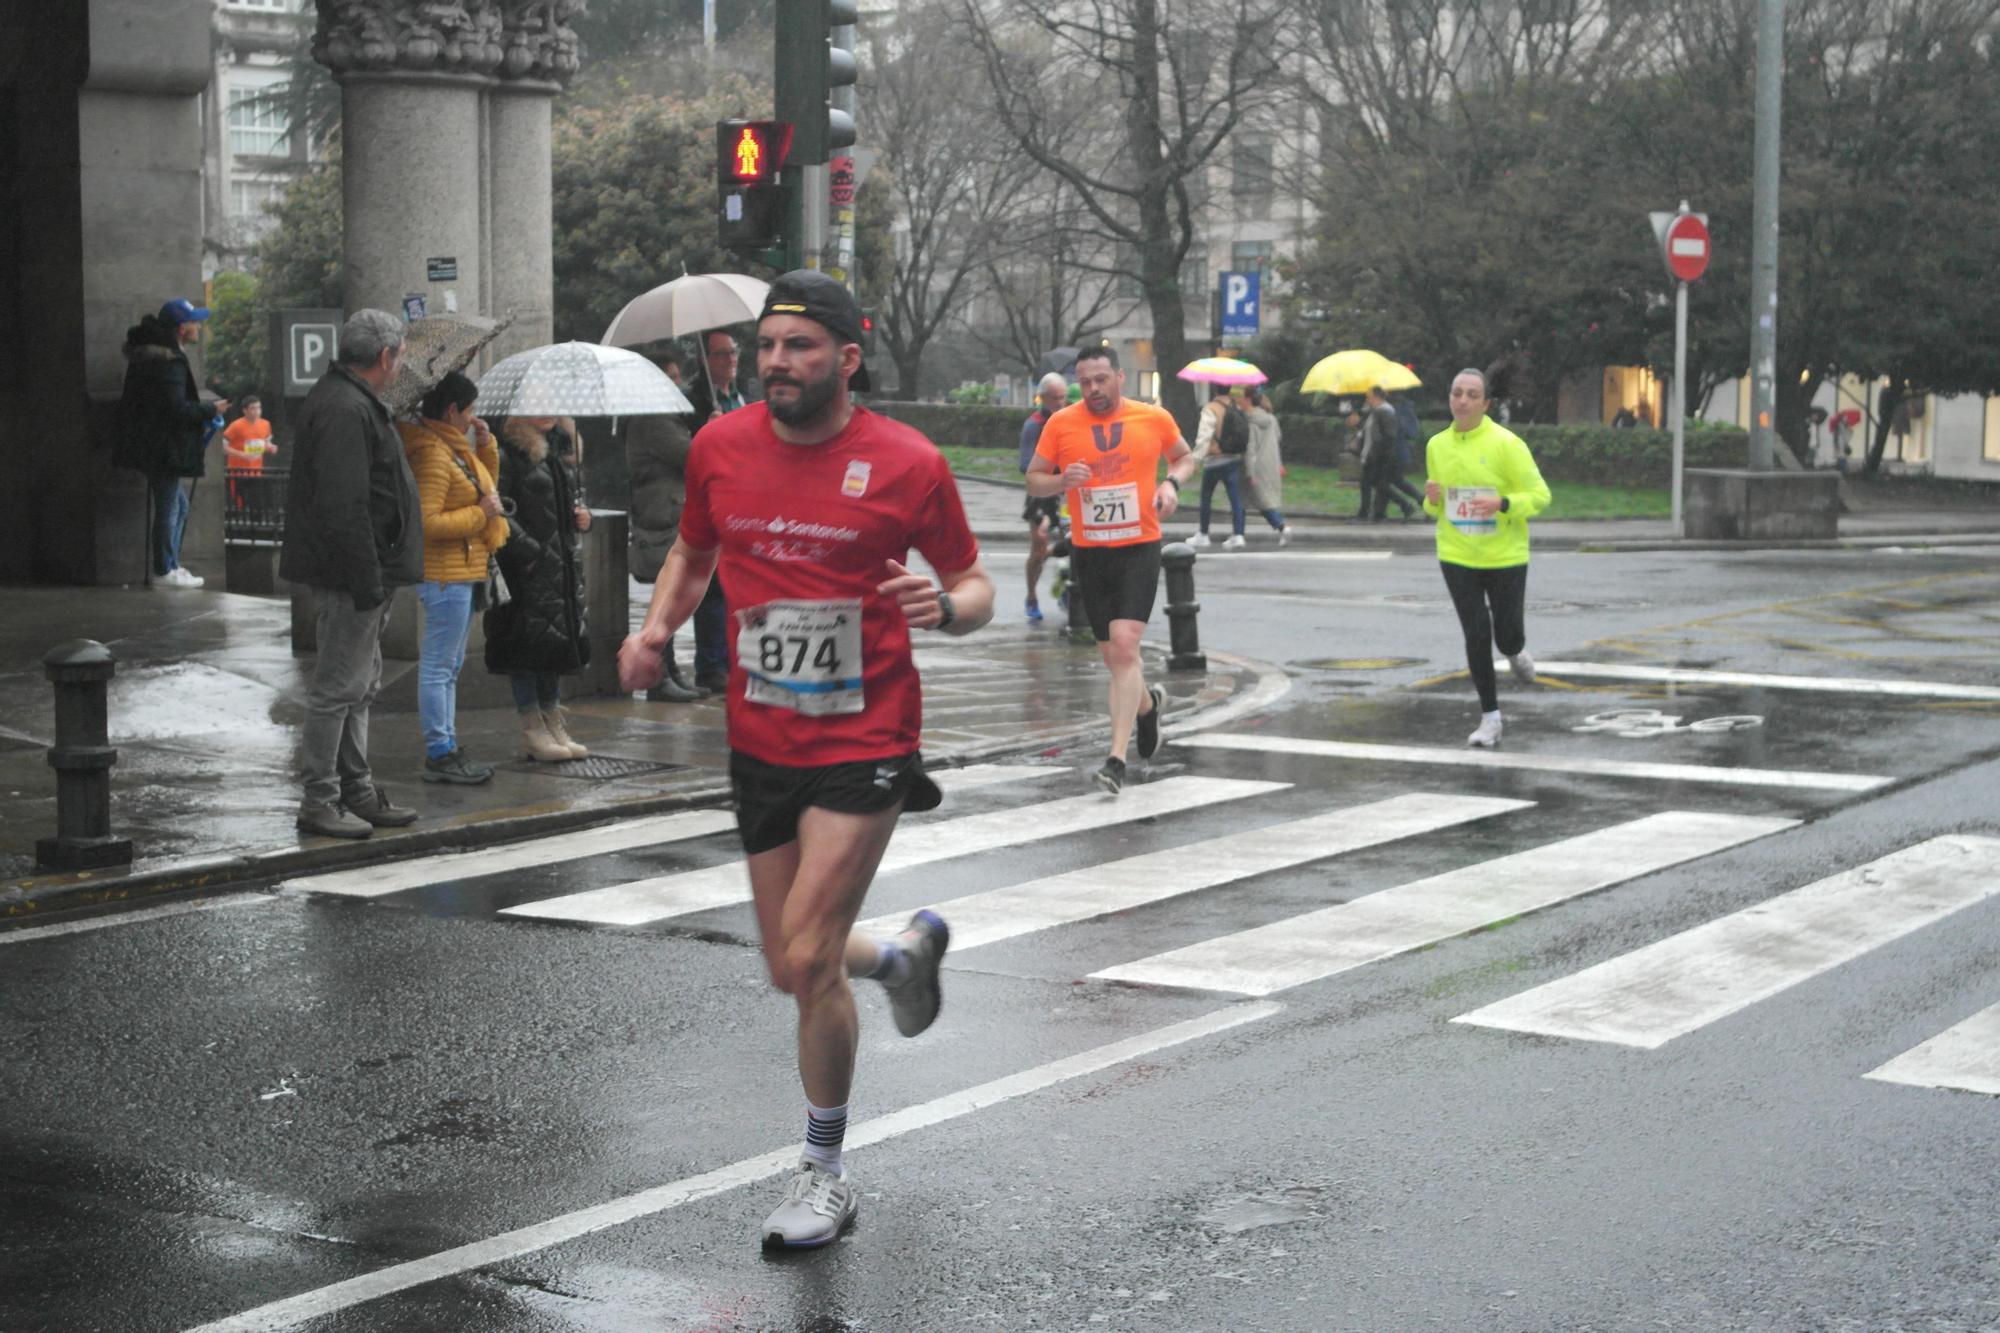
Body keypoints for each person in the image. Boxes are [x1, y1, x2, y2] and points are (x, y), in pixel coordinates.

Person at [616, 269, 995, 1251]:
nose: (778, 363)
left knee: (809, 948)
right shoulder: (718, 446)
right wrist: (655, 628)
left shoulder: (906, 462)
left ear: (846, 359)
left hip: (866, 733)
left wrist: (944, 609)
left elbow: (974, 581)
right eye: (769, 347)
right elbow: (692, 554)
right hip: (761, 736)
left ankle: (822, 1175)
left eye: (800, 348)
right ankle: (902, 956)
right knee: (792, 964)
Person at [279, 309, 423, 839]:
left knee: (358, 686)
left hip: (366, 572)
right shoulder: (345, 408)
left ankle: (354, 789)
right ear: (385, 356)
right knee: (339, 688)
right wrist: (367, 582)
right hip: (354, 574)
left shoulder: (353, 402)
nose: (401, 364)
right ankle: (321, 798)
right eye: (400, 356)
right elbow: (345, 507)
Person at [1026, 345, 1194, 794]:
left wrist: (1170, 484)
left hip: (1139, 546)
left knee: (1124, 645)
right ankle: (1147, 705)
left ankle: (1115, 760)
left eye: (1102, 379)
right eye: (1086, 382)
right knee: (1116, 659)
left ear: (1120, 377)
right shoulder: (1062, 424)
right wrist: (1063, 481)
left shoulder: (1152, 417)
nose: (1094, 389)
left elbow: (1184, 456)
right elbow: (1034, 476)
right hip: (1091, 550)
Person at [1422, 368, 1551, 749]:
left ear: (1486, 404)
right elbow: (1436, 509)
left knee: (1506, 633)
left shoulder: (1507, 444)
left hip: (1504, 555)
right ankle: (1490, 717)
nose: (1462, 400)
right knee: (1476, 633)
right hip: (1456, 553)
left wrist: (1503, 503)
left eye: (1471, 395)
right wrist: (1430, 499)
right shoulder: (1436, 445)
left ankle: (1514, 650)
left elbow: (1540, 496)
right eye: (1456, 392)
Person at [400, 370, 509, 784]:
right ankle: (439, 751)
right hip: (444, 574)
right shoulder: (432, 453)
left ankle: (446, 746)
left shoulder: (451, 448)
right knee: (439, 667)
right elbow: (426, 522)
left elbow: (484, 487)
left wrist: (486, 445)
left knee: (450, 665)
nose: (472, 417)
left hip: (462, 569)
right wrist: (479, 515)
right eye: (470, 411)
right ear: (451, 410)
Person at [488, 414, 592, 762]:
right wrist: (531, 552)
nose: (546, 410)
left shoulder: (560, 451)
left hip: (558, 567)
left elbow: (564, 508)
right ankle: (533, 726)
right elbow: (499, 509)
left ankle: (553, 721)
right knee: (526, 647)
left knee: (553, 647)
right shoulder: (509, 453)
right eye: (536, 402)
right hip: (527, 568)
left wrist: (581, 519)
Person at [116, 298, 229, 588]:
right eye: (194, 323)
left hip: (148, 442)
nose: (198, 329)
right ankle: (165, 569)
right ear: (181, 328)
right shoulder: (170, 362)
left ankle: (170, 565)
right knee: (170, 507)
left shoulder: (148, 357)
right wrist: (210, 410)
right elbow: (174, 408)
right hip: (164, 446)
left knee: (177, 504)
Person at [626, 353, 704, 703]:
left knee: (671, 597)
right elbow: (690, 456)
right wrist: (709, 430)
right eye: (669, 376)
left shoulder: (668, 415)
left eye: (677, 376)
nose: (677, 383)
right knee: (667, 595)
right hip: (662, 517)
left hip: (671, 514)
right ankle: (658, 676)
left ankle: (668, 669)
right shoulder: (655, 417)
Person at [685, 328, 750, 695]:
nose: (731, 360)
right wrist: (705, 432)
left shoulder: (740, 396)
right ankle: (710, 665)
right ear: (706, 361)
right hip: (712, 503)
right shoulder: (695, 400)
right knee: (710, 592)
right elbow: (688, 452)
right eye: (722, 354)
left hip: (743, 501)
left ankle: (731, 658)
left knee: (735, 588)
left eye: (734, 352)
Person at [1019, 372, 1069, 620]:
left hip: (1067, 492)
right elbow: (1025, 464)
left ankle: (1067, 589)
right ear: (1044, 398)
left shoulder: (1070, 419)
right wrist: (1053, 467)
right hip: (1041, 495)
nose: (1061, 403)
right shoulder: (1035, 424)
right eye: (1055, 398)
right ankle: (1031, 595)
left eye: (1063, 397)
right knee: (1038, 551)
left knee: (1076, 544)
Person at [1187, 386, 1249, 548]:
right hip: (1234, 458)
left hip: (1214, 460)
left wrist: (1195, 460)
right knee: (1235, 498)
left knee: (1206, 497)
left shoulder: (1211, 408)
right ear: (1229, 390)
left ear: (1215, 391)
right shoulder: (1236, 407)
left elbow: (1204, 437)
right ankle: (1238, 535)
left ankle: (1203, 534)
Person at [1362, 386, 1423, 520]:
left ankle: (1409, 505)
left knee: (1382, 482)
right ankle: (1381, 512)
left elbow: (1400, 433)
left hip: (1394, 453)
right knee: (1388, 482)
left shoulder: (1393, 409)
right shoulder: (1385, 409)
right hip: (1394, 453)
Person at [1241, 387, 1288, 541]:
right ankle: (1280, 527)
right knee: (1262, 500)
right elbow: (1278, 438)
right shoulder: (1271, 419)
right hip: (1271, 463)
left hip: (1257, 467)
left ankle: (1281, 526)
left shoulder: (1250, 422)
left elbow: (1250, 449)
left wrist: (1249, 472)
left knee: (1252, 501)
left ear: (1248, 400)